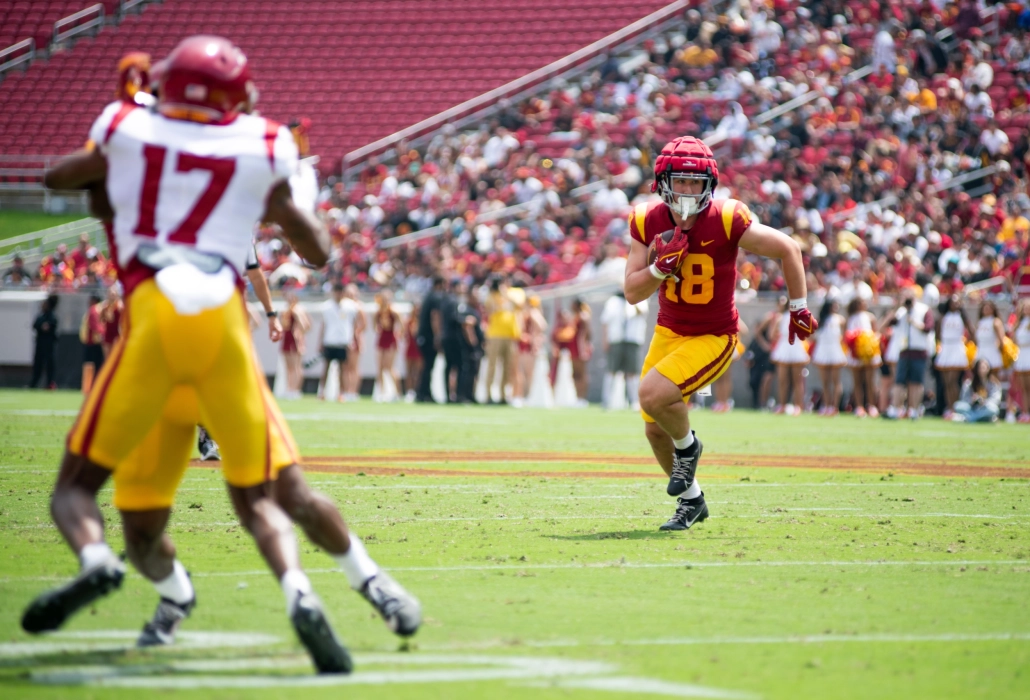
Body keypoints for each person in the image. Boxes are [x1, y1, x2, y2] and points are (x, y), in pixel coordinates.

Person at [21, 36, 418, 674]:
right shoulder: (260, 145)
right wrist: (280, 206)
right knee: (272, 495)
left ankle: (102, 564)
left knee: (93, 500)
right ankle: (310, 589)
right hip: (219, 331)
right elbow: (316, 250)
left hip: (152, 329)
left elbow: (66, 180)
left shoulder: (130, 128)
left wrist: (129, 109)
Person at [624, 136, 815, 531]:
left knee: (652, 394)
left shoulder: (728, 217)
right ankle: (693, 502)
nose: (689, 190)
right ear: (663, 183)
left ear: (710, 183)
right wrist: (660, 268)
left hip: (714, 335)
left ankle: (689, 447)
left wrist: (798, 306)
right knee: (652, 427)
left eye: (696, 182)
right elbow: (631, 292)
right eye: (681, 181)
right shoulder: (647, 219)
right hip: (669, 331)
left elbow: (788, 249)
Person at [884, 290, 934, 420]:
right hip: (904, 350)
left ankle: (914, 409)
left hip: (919, 350)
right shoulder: (901, 311)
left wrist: (914, 322)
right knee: (899, 381)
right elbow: (890, 322)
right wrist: (898, 306)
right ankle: (896, 408)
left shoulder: (923, 310)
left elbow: (928, 328)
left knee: (916, 382)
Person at [600, 290, 648, 410]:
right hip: (616, 339)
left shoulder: (641, 299)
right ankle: (606, 401)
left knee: (633, 372)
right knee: (612, 370)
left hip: (633, 339)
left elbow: (641, 312)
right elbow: (605, 321)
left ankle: (635, 402)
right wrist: (605, 340)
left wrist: (632, 299)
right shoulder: (613, 301)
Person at [935, 295, 974, 420]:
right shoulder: (943, 317)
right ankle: (949, 407)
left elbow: (971, 331)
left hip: (957, 347)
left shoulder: (962, 317)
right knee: (947, 382)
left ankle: (956, 407)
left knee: (953, 381)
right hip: (946, 347)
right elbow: (938, 334)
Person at [769, 298, 810, 415]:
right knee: (790, 380)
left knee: (791, 380)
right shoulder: (783, 318)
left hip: (794, 347)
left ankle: (795, 406)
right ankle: (786, 405)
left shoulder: (783, 318)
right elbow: (772, 335)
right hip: (787, 347)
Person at [484, 277, 519, 404]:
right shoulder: (491, 296)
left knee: (508, 366)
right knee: (492, 365)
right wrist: (495, 293)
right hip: (495, 334)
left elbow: (518, 305)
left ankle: (504, 395)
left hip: (510, 335)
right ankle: (488, 394)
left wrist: (504, 293)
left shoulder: (515, 292)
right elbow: (490, 309)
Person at [318, 284, 356, 401]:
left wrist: (352, 339)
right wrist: (320, 341)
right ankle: (321, 392)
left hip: (343, 341)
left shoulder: (350, 307)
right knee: (326, 368)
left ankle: (341, 393)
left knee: (343, 369)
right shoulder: (327, 307)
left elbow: (353, 325)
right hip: (330, 340)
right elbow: (324, 325)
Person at [845, 297, 881, 417]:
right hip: (855, 352)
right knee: (857, 382)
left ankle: (872, 405)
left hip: (868, 352)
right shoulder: (851, 318)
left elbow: (875, 333)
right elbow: (847, 335)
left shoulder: (870, 317)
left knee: (870, 381)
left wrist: (868, 344)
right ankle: (859, 406)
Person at [812, 298, 848, 415]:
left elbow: (844, 336)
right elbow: (813, 336)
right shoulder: (820, 321)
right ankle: (827, 406)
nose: (836, 307)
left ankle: (835, 407)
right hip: (823, 350)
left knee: (836, 381)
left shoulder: (840, 320)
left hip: (835, 350)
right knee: (825, 382)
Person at [513, 294, 547, 407]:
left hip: (527, 346)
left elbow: (542, 326)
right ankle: (522, 396)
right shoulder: (526, 313)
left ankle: (525, 396)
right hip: (524, 344)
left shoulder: (532, 312)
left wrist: (532, 338)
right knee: (522, 372)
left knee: (525, 372)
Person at [416, 276, 446, 402]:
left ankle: (422, 392)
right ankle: (424, 393)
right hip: (429, 336)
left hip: (423, 335)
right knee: (429, 366)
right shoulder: (436, 297)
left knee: (426, 366)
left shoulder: (427, 297)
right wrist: (438, 336)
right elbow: (435, 317)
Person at [280, 291, 310, 399]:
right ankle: (289, 388)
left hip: (294, 340)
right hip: (286, 338)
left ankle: (295, 389)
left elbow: (305, 325)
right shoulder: (286, 310)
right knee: (289, 367)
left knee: (296, 366)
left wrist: (299, 333)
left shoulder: (298, 310)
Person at [373, 290, 401, 401]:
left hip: (390, 340)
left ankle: (397, 392)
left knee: (389, 367)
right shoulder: (378, 312)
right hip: (382, 339)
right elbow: (375, 325)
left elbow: (401, 326)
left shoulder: (394, 311)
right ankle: (381, 391)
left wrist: (398, 336)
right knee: (380, 367)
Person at [746, 309, 777, 409]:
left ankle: (765, 402)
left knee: (768, 378)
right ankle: (761, 403)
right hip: (762, 356)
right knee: (759, 380)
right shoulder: (771, 317)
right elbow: (758, 334)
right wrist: (765, 346)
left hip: (776, 353)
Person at [341, 284, 366, 401]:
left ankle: (353, 391)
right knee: (345, 367)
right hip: (343, 339)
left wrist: (355, 333)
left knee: (353, 366)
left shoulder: (358, 307)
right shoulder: (343, 306)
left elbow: (363, 325)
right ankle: (345, 390)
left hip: (354, 339)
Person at [30, 295, 59, 389]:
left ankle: (49, 383)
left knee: (49, 365)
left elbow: (51, 327)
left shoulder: (52, 316)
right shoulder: (40, 316)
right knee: (38, 364)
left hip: (49, 345)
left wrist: (45, 327)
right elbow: (35, 325)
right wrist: (42, 326)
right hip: (40, 344)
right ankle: (34, 383)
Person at [80, 293, 106, 394]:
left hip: (94, 342)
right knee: (94, 365)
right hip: (94, 342)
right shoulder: (97, 310)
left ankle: (89, 388)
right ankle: (91, 387)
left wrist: (103, 334)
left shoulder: (94, 310)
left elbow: (95, 325)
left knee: (91, 365)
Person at [1009, 299, 1030, 423]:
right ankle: (1025, 412)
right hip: (1021, 355)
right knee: (1023, 388)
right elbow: (1015, 341)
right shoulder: (1019, 324)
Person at [570, 297, 593, 407]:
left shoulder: (583, 317)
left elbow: (586, 334)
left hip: (580, 348)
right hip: (574, 347)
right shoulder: (576, 317)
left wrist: (584, 348)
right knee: (575, 374)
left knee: (582, 373)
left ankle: (582, 398)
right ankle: (577, 397)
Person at [975, 300, 1006, 377]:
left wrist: (998, 350)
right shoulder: (980, 322)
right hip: (981, 350)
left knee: (993, 378)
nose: (986, 310)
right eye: (984, 308)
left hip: (992, 350)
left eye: (989, 308)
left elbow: (1001, 339)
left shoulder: (995, 322)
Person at [404, 302, 423, 401]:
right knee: (409, 371)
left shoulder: (422, 321)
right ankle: (409, 391)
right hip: (410, 346)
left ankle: (416, 390)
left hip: (418, 348)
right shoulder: (409, 321)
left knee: (417, 372)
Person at [100, 284, 123, 359]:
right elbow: (101, 320)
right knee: (107, 358)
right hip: (108, 335)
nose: (112, 295)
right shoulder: (105, 306)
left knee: (116, 358)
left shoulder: (119, 306)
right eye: (110, 293)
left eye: (113, 293)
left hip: (117, 334)